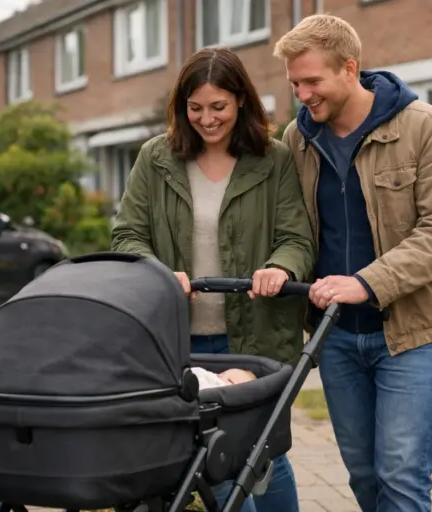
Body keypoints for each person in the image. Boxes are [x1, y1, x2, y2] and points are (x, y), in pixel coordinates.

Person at [273, 14, 432, 512]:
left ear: (349, 69)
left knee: (400, 475)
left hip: (415, 331)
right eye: (295, 82)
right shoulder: (296, 142)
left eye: (311, 81)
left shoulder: (424, 127)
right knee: (363, 475)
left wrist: (367, 282)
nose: (302, 93)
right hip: (335, 335)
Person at [111, 47, 315, 512]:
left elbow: (296, 238)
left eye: (218, 106)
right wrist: (159, 273)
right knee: (208, 459)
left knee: (263, 453)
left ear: (241, 99)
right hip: (180, 338)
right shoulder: (155, 158)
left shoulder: (273, 158)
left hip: (255, 336)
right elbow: (127, 235)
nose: (207, 119)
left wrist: (280, 268)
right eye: (195, 107)